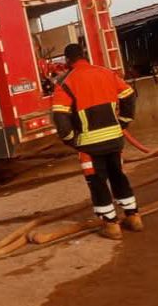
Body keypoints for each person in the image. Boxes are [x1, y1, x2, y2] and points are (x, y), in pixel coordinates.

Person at [51, 43, 141, 240]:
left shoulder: (65, 83)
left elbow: (60, 117)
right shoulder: (106, 73)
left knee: (97, 182)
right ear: (84, 55)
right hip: (114, 139)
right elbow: (129, 95)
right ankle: (133, 217)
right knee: (118, 176)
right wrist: (123, 122)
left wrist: (70, 140)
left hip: (89, 145)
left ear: (67, 61)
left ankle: (111, 225)